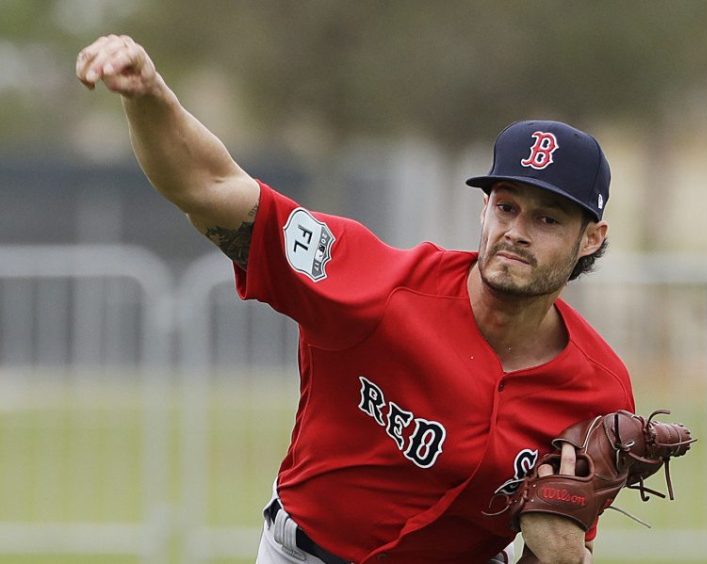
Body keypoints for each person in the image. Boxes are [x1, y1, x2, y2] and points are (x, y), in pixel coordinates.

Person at [76, 35, 634, 564]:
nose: (516, 231)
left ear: (591, 238)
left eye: (547, 218)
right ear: (483, 210)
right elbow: (210, 187)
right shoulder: (375, 283)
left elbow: (562, 544)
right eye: (506, 206)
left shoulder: (599, 389)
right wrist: (150, 95)